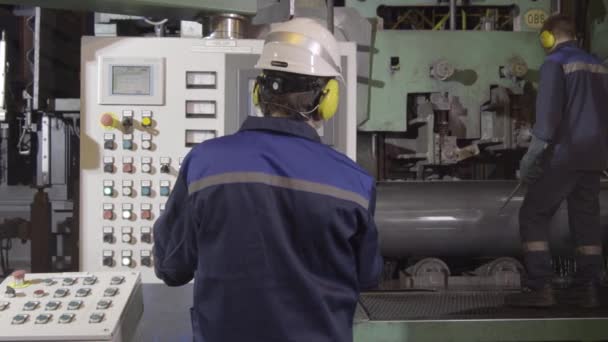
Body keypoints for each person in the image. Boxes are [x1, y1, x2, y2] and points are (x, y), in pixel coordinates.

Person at [153, 17, 383, 342]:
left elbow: (171, 268)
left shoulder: (205, 164)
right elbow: (367, 277)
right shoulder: (354, 184)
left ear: (258, 90)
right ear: (328, 99)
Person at [506, 14, 608, 308]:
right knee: (585, 220)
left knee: (533, 214)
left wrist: (530, 160)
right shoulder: (599, 66)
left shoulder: (554, 63)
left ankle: (540, 286)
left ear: (547, 37)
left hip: (564, 156)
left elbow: (548, 121)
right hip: (594, 157)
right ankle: (588, 289)